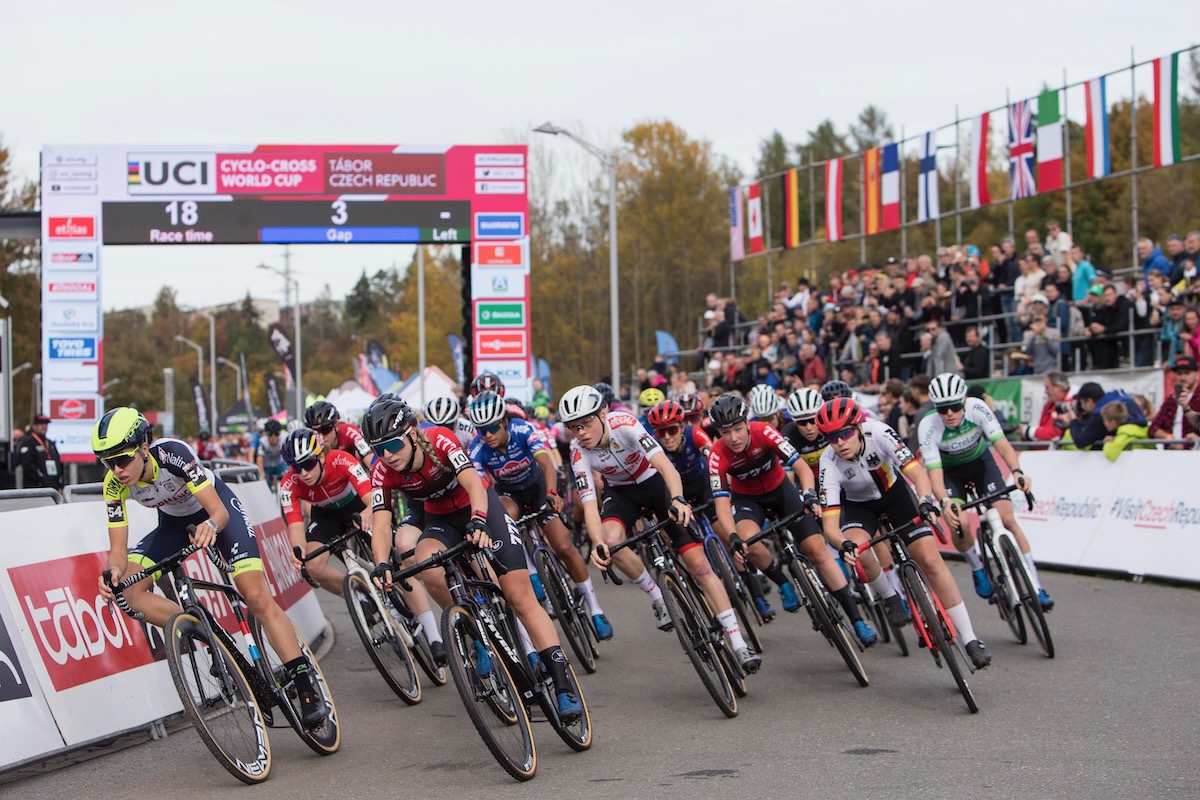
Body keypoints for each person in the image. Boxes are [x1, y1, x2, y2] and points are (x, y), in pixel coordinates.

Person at [93, 407, 330, 727]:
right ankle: (207, 636)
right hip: (173, 526)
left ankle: (305, 685)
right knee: (130, 591)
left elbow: (218, 512)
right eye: (109, 462)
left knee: (255, 596)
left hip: (218, 514)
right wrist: (113, 572)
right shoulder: (113, 485)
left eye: (122, 459)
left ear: (144, 447)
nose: (117, 470)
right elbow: (118, 551)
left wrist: (211, 526)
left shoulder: (174, 455)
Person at [362, 395, 584, 721]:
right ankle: (473, 630)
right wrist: (381, 564)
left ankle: (563, 681)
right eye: (379, 449)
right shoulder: (382, 470)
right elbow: (381, 524)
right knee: (428, 564)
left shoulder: (439, 440)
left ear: (411, 433)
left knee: (519, 597)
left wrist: (479, 518)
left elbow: (472, 483)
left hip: (479, 507)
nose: (387, 455)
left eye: (393, 445)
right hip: (440, 520)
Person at [560, 385, 762, 672]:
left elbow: (667, 467)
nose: (580, 433)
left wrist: (678, 500)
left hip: (656, 484)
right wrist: (596, 543)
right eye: (573, 428)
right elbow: (589, 503)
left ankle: (738, 643)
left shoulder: (626, 425)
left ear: (603, 413)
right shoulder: (577, 451)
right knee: (610, 541)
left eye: (585, 424)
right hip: (622, 496)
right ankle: (657, 597)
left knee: (700, 566)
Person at [814, 397, 993, 670]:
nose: (840, 443)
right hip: (860, 508)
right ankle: (890, 597)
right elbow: (830, 526)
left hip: (896, 496)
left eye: (845, 433)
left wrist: (924, 500)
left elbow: (917, 474)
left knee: (931, 561)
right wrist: (844, 544)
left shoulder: (880, 432)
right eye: (831, 438)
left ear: (859, 427)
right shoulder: (828, 464)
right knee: (860, 552)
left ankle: (970, 640)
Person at [707, 394, 877, 647]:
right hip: (747, 500)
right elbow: (722, 503)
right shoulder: (717, 454)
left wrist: (808, 495)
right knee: (746, 541)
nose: (733, 438)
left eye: (738, 429)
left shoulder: (764, 431)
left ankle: (857, 620)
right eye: (725, 432)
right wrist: (731, 536)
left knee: (817, 552)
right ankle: (783, 583)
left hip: (782, 493)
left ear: (747, 423)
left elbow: (801, 468)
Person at [465, 391, 612, 640]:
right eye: (481, 430)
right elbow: (477, 485)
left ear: (503, 422)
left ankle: (595, 609)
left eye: (491, 427)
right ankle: (531, 568)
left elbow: (546, 464)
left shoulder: (522, 429)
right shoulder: (477, 448)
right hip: (510, 496)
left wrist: (553, 492)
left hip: (539, 488)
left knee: (564, 546)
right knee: (503, 517)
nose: (487, 434)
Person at [918, 374, 1053, 610]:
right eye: (943, 409)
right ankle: (977, 567)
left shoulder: (977, 408)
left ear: (964, 401)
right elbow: (935, 475)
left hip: (981, 465)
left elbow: (1002, 445)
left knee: (1008, 518)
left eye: (954, 407)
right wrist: (946, 501)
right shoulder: (928, 427)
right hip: (951, 473)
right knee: (959, 522)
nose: (949, 414)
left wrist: (1017, 471)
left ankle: (1035, 586)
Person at [305, 400, 374, 469]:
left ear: (336, 425)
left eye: (325, 430)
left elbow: (370, 460)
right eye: (315, 432)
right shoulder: (307, 442)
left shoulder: (348, 431)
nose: (321, 437)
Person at [1148, 356, 1200, 446]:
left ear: (1196, 375)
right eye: (1179, 374)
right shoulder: (1171, 400)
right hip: (1172, 453)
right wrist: (1170, 438)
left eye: (1187, 373)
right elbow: (1153, 429)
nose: (1183, 378)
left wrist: (1187, 409)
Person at [16, 414, 63, 491]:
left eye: (46, 424)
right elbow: (28, 466)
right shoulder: (28, 443)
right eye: (41, 424)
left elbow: (58, 464)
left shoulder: (50, 443)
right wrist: (42, 480)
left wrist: (59, 484)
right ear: (34, 426)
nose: (44, 426)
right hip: (36, 488)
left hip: (53, 488)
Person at [253, 418, 286, 491]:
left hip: (279, 465)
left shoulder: (284, 438)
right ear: (266, 434)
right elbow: (259, 459)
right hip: (267, 466)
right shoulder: (262, 442)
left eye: (276, 434)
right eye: (270, 434)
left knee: (288, 477)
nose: (273, 437)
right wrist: (262, 474)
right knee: (265, 486)